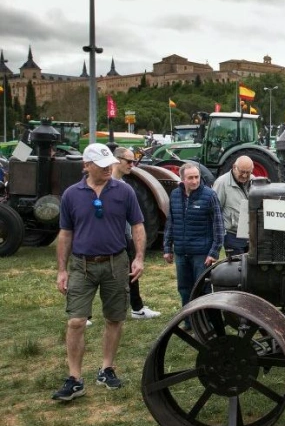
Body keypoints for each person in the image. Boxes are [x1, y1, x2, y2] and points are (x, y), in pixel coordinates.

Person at [53, 143, 145, 401]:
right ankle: (74, 379)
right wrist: (62, 270)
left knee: (114, 318)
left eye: (109, 165)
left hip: (116, 263)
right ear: (87, 166)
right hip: (81, 265)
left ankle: (107, 368)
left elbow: (137, 225)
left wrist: (138, 258)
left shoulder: (124, 191)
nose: (108, 169)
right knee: (76, 321)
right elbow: (65, 233)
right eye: (102, 166)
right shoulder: (72, 194)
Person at [163, 163, 223, 307]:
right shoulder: (175, 195)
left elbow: (219, 226)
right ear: (182, 178)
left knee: (203, 289)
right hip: (181, 253)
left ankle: (205, 322)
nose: (195, 181)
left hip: (201, 254)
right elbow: (171, 222)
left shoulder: (209, 195)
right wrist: (167, 248)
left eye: (197, 177)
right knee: (184, 289)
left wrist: (214, 252)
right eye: (190, 178)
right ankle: (189, 321)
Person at [112, 147, 161, 319]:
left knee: (131, 272)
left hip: (125, 236)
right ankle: (85, 315)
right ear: (117, 160)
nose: (132, 165)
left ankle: (137, 308)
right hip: (108, 237)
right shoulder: (104, 184)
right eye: (129, 161)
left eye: (133, 161)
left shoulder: (125, 185)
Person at [212, 155, 254, 257]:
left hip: (252, 233)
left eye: (248, 172)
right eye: (242, 172)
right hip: (232, 234)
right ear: (234, 167)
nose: (244, 175)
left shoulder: (254, 181)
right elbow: (215, 210)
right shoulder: (222, 183)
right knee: (237, 267)